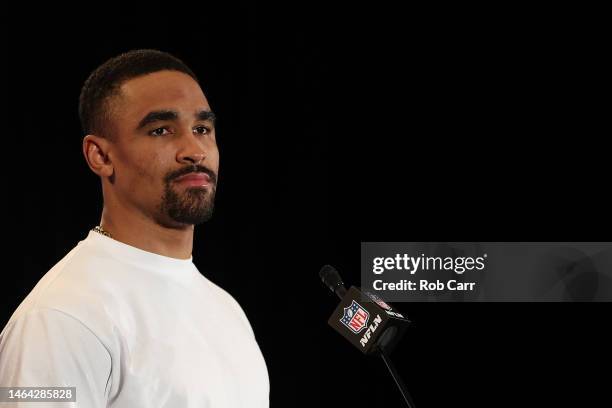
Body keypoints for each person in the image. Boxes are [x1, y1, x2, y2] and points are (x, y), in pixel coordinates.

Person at [0, 49, 269, 407]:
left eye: (202, 129)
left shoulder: (228, 310)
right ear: (101, 156)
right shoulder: (58, 316)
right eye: (161, 130)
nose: (194, 150)